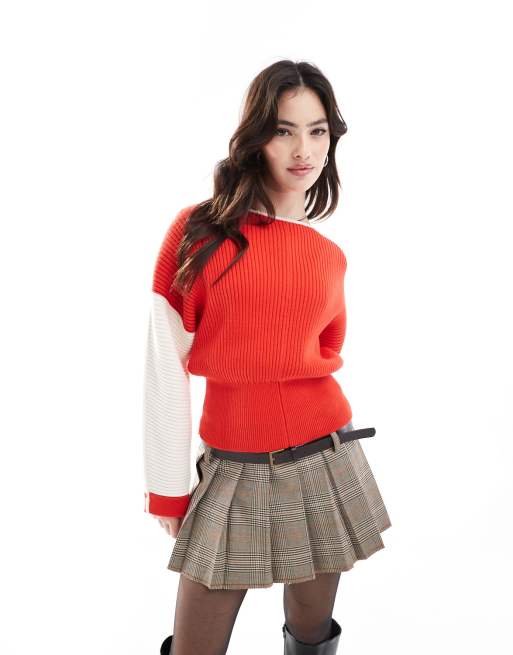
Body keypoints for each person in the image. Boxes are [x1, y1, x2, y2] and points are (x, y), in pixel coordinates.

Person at [142, 59, 392, 655]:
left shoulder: (327, 254)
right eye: (284, 130)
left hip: (324, 459)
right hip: (233, 468)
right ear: (256, 137)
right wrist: (168, 487)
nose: (304, 149)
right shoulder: (198, 231)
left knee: (310, 634)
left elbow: (324, 352)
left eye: (317, 131)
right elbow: (164, 365)